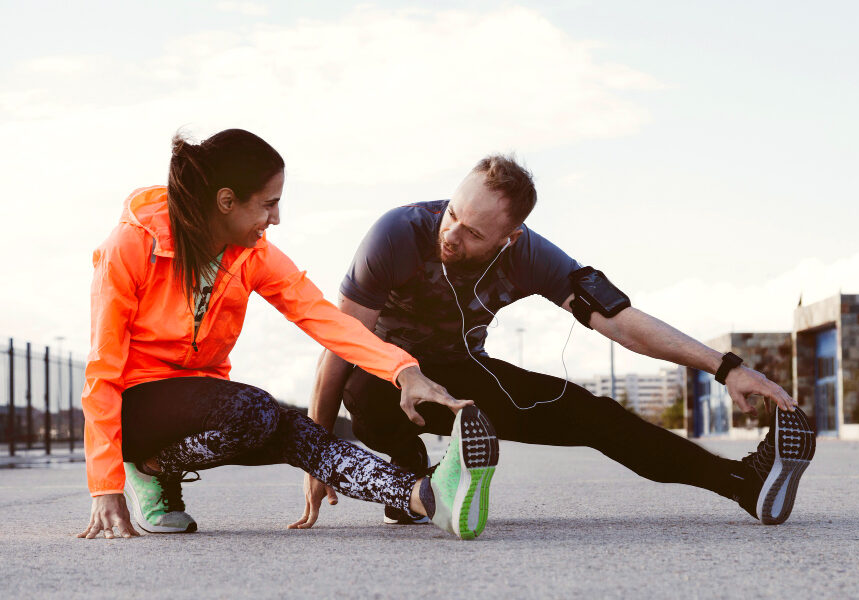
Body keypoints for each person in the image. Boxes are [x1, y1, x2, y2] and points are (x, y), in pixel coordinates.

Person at [297, 154, 815, 529]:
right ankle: (412, 477)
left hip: (463, 381)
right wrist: (316, 455)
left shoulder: (531, 256)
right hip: (386, 382)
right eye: (452, 214)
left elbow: (622, 322)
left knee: (597, 416)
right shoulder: (398, 233)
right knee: (363, 388)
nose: (452, 235)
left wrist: (726, 368)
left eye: (474, 233)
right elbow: (342, 342)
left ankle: (744, 483)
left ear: (509, 237)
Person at [78, 129, 499, 542]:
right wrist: (105, 485)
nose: (275, 218)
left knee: (292, 429)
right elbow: (102, 370)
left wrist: (402, 369)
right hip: (134, 406)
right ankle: (147, 468)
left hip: (202, 401)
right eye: (268, 204)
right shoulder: (132, 245)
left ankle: (427, 496)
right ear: (226, 201)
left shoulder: (250, 254)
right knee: (254, 410)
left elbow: (321, 317)